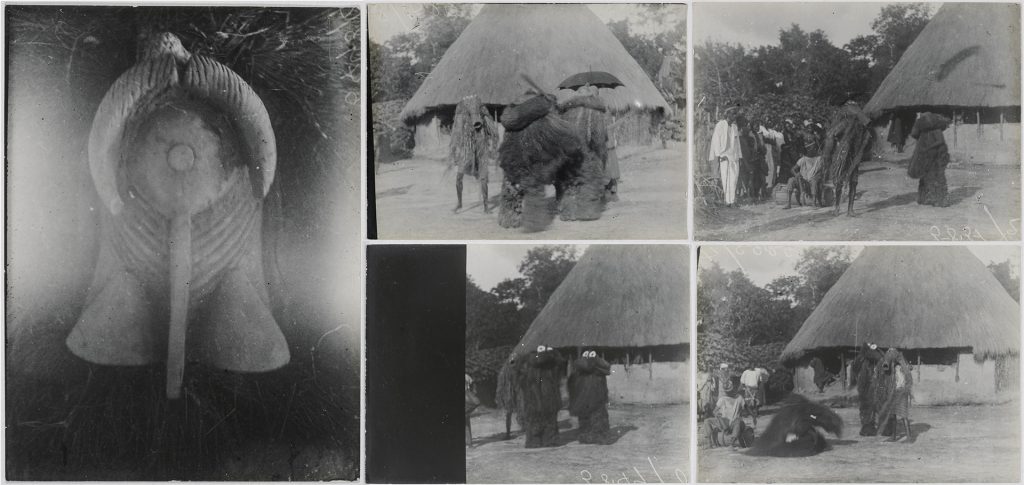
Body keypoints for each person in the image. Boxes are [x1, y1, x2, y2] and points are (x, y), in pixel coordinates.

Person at [907, 112, 952, 207]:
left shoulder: (927, 127)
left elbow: (914, 134)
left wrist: (927, 147)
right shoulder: (935, 129)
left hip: (932, 154)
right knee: (934, 175)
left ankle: (932, 199)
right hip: (935, 154)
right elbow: (940, 141)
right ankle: (934, 199)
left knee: (930, 174)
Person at [708, 109, 742, 207]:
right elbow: (716, 140)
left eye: (735, 114)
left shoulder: (735, 127)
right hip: (724, 156)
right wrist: (720, 155)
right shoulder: (720, 125)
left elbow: (737, 143)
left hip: (734, 156)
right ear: (727, 115)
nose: (734, 116)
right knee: (726, 178)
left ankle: (732, 200)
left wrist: (740, 156)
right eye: (733, 114)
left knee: (734, 178)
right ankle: (728, 201)